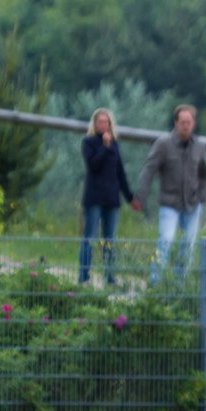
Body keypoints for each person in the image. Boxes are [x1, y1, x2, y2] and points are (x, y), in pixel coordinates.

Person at [132, 104, 206, 284]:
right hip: (170, 204)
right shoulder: (163, 144)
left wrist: (202, 196)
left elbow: (205, 175)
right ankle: (156, 284)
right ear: (176, 123)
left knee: (188, 248)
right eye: (183, 122)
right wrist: (140, 196)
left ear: (194, 124)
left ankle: (180, 287)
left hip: (192, 204)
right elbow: (149, 170)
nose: (186, 126)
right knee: (165, 243)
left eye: (189, 122)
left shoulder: (199, 146)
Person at [79, 108, 134, 286]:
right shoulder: (88, 143)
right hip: (94, 198)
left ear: (110, 124)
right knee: (90, 238)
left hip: (112, 199)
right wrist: (103, 146)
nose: (103, 125)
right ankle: (84, 277)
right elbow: (93, 165)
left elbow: (120, 173)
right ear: (95, 124)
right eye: (100, 122)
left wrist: (130, 197)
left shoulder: (115, 145)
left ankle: (109, 277)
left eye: (106, 122)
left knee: (109, 240)